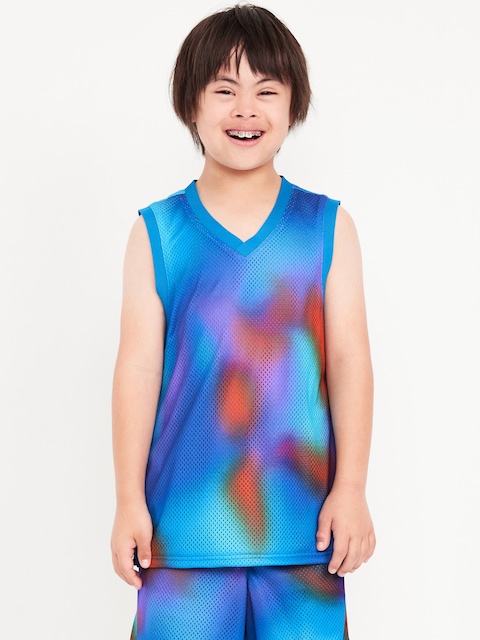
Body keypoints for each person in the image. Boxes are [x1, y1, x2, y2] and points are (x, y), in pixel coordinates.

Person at [111, 4, 375, 639]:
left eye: (266, 90)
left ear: (293, 105)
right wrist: (127, 500)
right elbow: (138, 369)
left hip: (306, 536)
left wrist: (352, 488)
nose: (246, 109)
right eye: (225, 90)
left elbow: (349, 363)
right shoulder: (158, 232)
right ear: (191, 104)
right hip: (182, 539)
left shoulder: (327, 226)